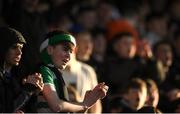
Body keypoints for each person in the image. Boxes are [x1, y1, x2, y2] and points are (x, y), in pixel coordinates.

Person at [37, 30, 108, 113]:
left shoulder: (55, 73)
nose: (69, 56)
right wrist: (85, 104)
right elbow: (57, 106)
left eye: (71, 51)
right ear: (50, 50)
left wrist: (90, 101)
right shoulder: (44, 70)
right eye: (65, 49)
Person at [0, 27, 44, 113]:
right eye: (14, 47)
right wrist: (28, 90)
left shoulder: (14, 78)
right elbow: (6, 110)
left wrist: (35, 93)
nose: (20, 52)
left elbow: (28, 109)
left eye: (21, 48)